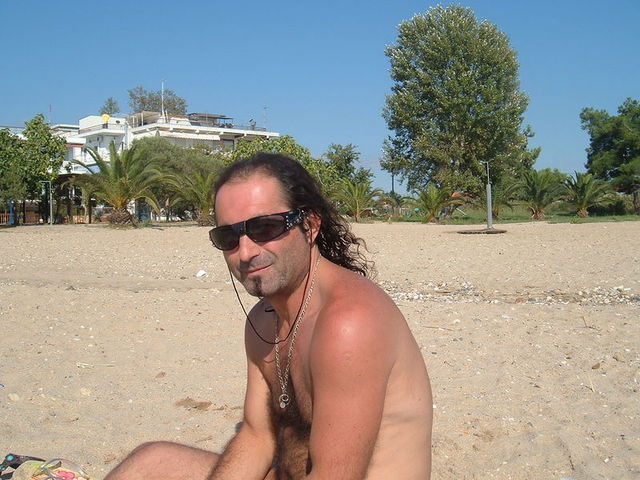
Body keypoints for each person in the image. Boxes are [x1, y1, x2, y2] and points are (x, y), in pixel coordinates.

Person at [105, 153, 432, 480]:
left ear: (310, 225)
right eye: (229, 237)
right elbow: (257, 437)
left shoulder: (348, 324)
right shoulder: (264, 321)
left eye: (265, 228)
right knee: (152, 462)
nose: (246, 252)